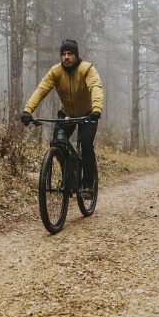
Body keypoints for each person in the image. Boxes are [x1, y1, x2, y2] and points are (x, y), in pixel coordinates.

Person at [21, 38, 104, 198]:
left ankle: (87, 185)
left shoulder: (87, 69)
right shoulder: (55, 71)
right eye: (63, 54)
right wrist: (27, 110)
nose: (66, 57)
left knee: (86, 146)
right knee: (57, 144)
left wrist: (96, 109)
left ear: (76, 55)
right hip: (66, 114)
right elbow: (41, 90)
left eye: (70, 54)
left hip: (88, 114)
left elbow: (96, 88)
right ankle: (70, 175)